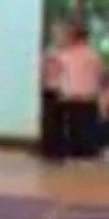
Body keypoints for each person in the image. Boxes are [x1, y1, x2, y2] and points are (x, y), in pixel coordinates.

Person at [55, 24, 104, 161]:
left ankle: (73, 153)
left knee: (73, 130)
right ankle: (88, 153)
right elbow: (100, 76)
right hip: (89, 99)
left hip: (69, 98)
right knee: (88, 130)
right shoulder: (94, 56)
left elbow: (58, 76)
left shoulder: (64, 56)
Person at [38, 22, 70, 161]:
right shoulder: (50, 52)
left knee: (59, 121)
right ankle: (49, 148)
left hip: (61, 89)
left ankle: (57, 149)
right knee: (50, 120)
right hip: (50, 88)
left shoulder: (67, 53)